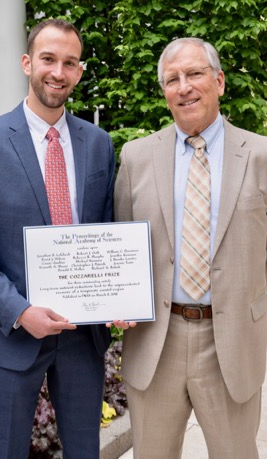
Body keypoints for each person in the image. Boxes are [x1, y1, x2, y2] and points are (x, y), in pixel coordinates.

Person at [114, 37, 267, 459]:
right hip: (155, 342)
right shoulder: (136, 157)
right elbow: (123, 243)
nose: (184, 87)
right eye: (172, 79)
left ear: (218, 81)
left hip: (232, 343)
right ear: (164, 91)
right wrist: (117, 296)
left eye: (195, 74)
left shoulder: (260, 154)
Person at [0, 18, 116, 459]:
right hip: (12, 337)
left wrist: (120, 299)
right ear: (28, 63)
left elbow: (106, 231)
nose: (58, 72)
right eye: (48, 59)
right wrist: (20, 311)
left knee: (85, 451)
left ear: (79, 71)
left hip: (83, 339)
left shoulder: (99, 144)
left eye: (69, 62)